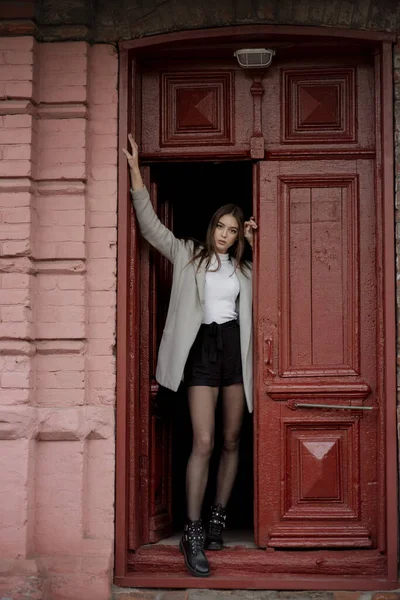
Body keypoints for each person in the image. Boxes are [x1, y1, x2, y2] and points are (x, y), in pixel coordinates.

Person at [123, 134, 257, 578]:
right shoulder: (188, 255)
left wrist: (259, 240)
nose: (224, 235)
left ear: (239, 235)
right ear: (211, 226)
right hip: (202, 349)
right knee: (203, 440)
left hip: (235, 350)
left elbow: (287, 274)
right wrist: (136, 178)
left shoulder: (245, 269)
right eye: (221, 226)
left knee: (233, 439)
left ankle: (219, 517)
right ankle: (193, 530)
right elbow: (150, 230)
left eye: (232, 230)